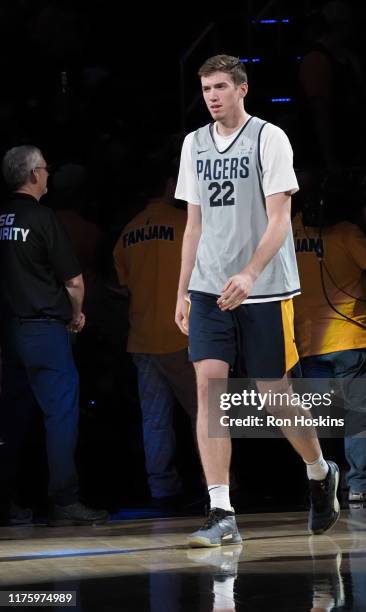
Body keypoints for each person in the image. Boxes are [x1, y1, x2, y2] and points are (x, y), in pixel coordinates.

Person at [175, 54, 340, 547]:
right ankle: (221, 510)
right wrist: (182, 288)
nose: (212, 96)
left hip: (264, 286)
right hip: (209, 287)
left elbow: (280, 219)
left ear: (242, 89)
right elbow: (194, 224)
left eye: (221, 87)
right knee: (209, 390)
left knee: (273, 394)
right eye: (206, 89)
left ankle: (318, 471)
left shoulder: (269, 137)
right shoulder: (193, 143)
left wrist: (249, 272)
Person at [0, 145, 108, 526]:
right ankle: (64, 499)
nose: (48, 175)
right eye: (45, 169)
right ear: (33, 175)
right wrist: (77, 314)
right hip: (45, 330)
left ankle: (8, 503)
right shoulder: (43, 218)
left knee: (11, 418)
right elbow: (74, 280)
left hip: (9, 335)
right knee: (60, 416)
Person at [293, 172, 366, 502]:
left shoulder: (289, 231)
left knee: (316, 419)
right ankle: (361, 486)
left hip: (308, 343)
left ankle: (321, 483)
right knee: (357, 417)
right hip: (353, 339)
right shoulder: (347, 233)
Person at [113, 150, 198, 510]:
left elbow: (124, 283)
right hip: (180, 338)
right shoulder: (185, 225)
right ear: (169, 186)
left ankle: (161, 488)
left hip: (142, 340)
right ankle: (219, 484)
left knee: (155, 419)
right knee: (204, 415)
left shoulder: (128, 232)